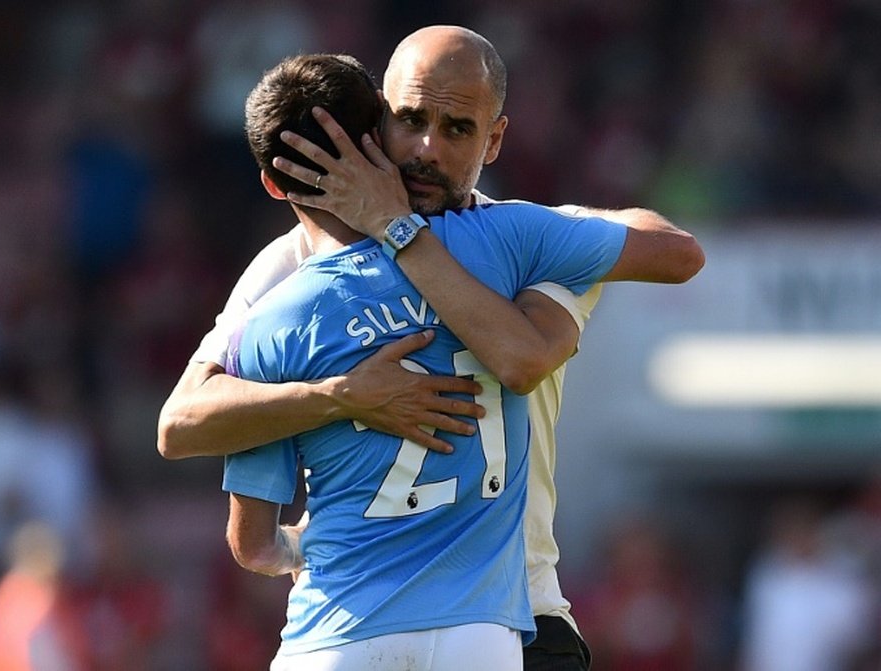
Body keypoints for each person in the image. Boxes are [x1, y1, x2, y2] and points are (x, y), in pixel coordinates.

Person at [158, 26, 704, 670]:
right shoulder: (289, 264)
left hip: (520, 614)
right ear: (374, 123)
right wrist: (338, 397)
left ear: (494, 139)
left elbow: (523, 360)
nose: (425, 149)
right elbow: (182, 420)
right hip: (381, 616)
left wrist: (399, 231)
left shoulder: (523, 246)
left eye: (457, 130)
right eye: (409, 120)